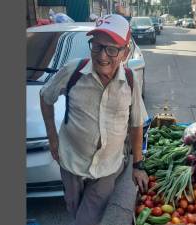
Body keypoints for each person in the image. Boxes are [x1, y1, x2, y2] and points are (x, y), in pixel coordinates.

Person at [39, 14, 148, 225]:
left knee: (87, 219)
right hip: (71, 162)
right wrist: (52, 137)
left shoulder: (130, 81)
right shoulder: (74, 71)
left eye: (112, 49)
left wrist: (138, 165)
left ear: (125, 53)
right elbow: (45, 96)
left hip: (108, 168)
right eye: (97, 46)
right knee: (74, 208)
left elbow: (136, 124)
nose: (102, 56)